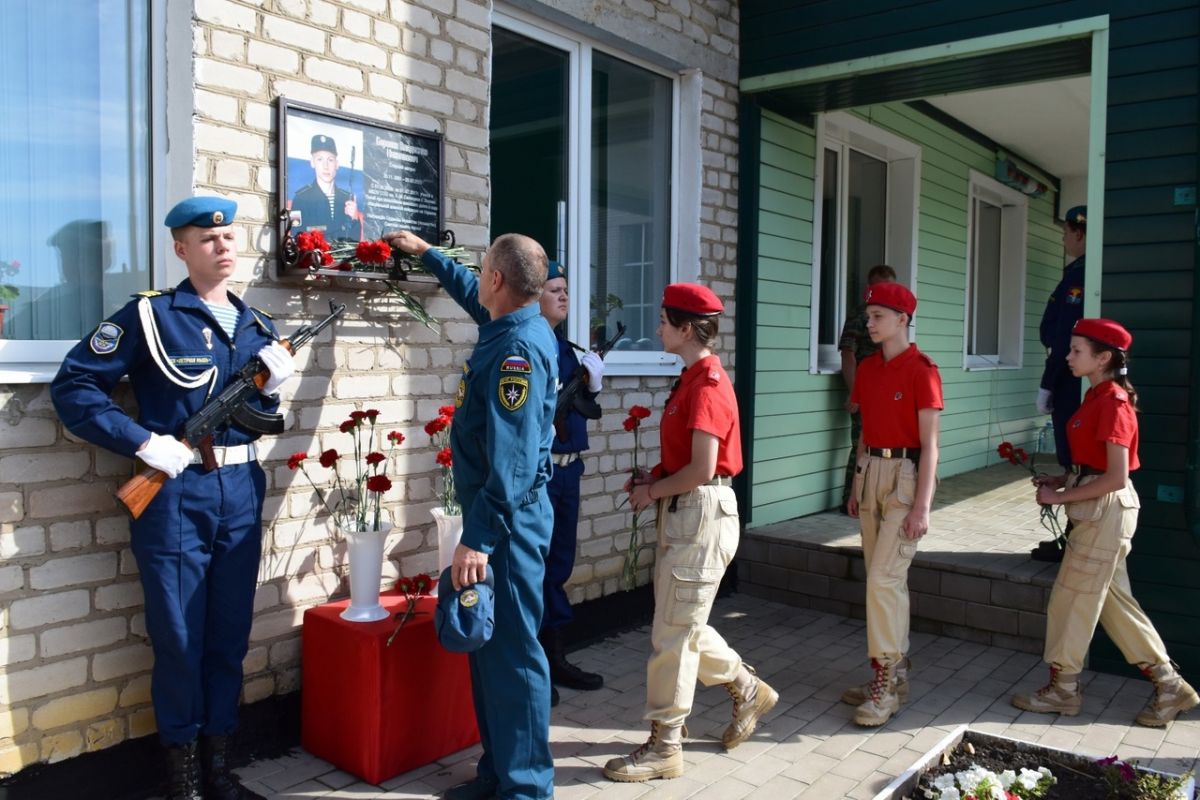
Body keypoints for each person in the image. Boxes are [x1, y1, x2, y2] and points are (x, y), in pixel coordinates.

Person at [50, 197, 294, 800]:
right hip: (176, 492)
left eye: (230, 236)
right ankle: (182, 776)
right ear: (181, 249)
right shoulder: (151, 317)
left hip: (240, 490)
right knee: (180, 636)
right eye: (206, 239)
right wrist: (142, 442)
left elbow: (259, 416)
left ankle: (219, 764)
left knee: (230, 632)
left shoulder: (258, 327)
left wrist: (274, 385)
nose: (223, 246)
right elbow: (75, 387)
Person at [385, 229, 556, 800]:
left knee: (513, 657)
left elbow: (511, 463)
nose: (477, 277)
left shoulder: (517, 351)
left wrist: (476, 541)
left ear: (499, 280)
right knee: (490, 649)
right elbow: (470, 291)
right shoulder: (510, 323)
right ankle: (499, 774)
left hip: (505, 525)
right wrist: (429, 255)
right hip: (498, 518)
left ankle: (527, 788)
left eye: (482, 269)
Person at [603, 283, 779, 783]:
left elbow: (704, 469)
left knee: (674, 634)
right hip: (689, 511)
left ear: (685, 329)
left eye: (663, 320)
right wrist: (655, 477)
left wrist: (651, 493)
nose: (657, 327)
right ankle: (747, 689)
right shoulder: (691, 378)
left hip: (700, 511)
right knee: (682, 623)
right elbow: (688, 461)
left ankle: (666, 745)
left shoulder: (707, 385)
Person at [1011, 318, 1199, 727]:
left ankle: (1064, 690)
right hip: (1101, 513)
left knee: (1071, 599)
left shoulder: (1112, 402)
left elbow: (1116, 477)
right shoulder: (1098, 395)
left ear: (1104, 358)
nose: (1068, 356)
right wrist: (1062, 479)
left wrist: (1060, 497)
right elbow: (1097, 467)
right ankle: (1169, 686)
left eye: (1077, 350)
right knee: (1115, 605)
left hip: (1106, 514)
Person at [842, 282, 942, 727]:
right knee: (884, 582)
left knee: (883, 580)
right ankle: (894, 672)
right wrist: (854, 485)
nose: (870, 322)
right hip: (870, 474)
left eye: (878, 315)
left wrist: (922, 506)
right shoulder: (866, 367)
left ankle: (885, 682)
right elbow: (864, 430)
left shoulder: (922, 370)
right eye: (868, 315)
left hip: (906, 477)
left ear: (903, 319)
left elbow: (931, 446)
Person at [538, 260, 606, 707]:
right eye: (554, 289)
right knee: (535, 569)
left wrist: (593, 385)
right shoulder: (528, 344)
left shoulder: (566, 348)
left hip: (570, 470)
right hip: (542, 473)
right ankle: (536, 667)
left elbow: (579, 404)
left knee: (559, 565)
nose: (564, 296)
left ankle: (556, 657)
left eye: (566, 289)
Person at [837, 265, 897, 513]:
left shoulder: (894, 316)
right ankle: (850, 501)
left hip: (889, 393)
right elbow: (848, 355)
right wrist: (855, 393)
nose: (882, 291)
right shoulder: (861, 316)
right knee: (861, 446)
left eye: (888, 286)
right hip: (866, 392)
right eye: (878, 287)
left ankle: (877, 497)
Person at [291, 133, 361, 241]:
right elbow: (295, 234)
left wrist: (355, 219)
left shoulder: (346, 199)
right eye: (320, 159)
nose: (326, 166)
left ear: (337, 164)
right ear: (312, 162)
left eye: (330, 160)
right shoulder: (301, 198)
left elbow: (354, 242)